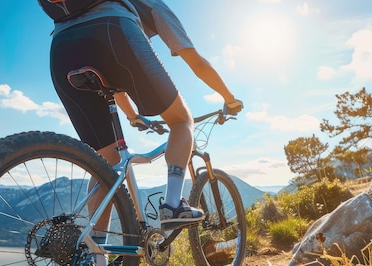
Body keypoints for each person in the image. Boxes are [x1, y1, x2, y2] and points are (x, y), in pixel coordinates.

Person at [46, 0, 243, 234]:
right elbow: (196, 63)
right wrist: (230, 98)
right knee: (181, 121)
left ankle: (94, 257)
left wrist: (133, 116)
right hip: (113, 29)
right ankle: (172, 205)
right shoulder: (153, 5)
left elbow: (115, 85)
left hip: (61, 48)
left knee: (105, 161)